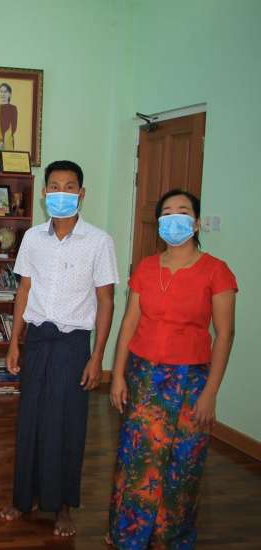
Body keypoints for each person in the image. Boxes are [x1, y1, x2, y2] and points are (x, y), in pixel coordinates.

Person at [106, 190, 237, 549]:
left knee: (183, 464)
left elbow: (225, 335)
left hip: (190, 382)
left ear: (196, 223)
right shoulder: (147, 267)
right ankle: (128, 534)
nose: (174, 217)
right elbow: (129, 324)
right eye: (167, 212)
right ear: (159, 222)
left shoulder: (216, 271)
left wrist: (210, 393)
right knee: (137, 460)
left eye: (182, 211)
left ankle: (170, 537)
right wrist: (117, 376)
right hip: (144, 378)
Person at [0, 160, 118, 537]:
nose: (61, 193)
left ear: (81, 194)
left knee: (67, 423)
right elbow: (23, 291)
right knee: (31, 420)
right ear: (44, 193)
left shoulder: (99, 241)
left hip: (72, 344)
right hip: (37, 340)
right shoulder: (33, 238)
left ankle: (62, 504)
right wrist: (15, 342)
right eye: (54, 186)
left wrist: (97, 356)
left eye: (69, 187)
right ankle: (24, 498)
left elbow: (106, 301)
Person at [0, 82, 17, 150]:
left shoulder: (13, 108)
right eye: (1, 91)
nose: (3, 94)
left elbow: (13, 128)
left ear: (9, 94)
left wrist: (2, 142)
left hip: (7, 143)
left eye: (5, 92)